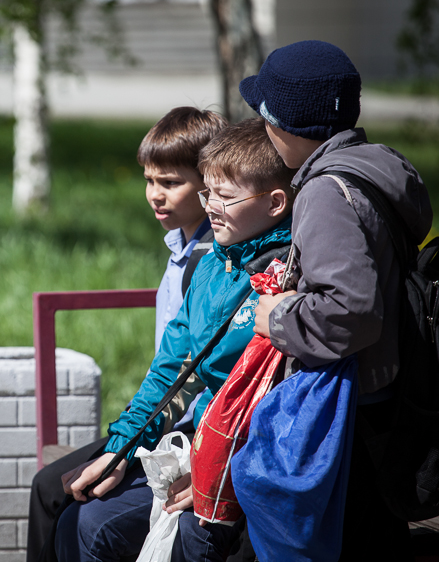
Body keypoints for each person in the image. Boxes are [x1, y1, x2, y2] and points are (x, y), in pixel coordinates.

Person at [55, 118, 295, 562]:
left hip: (243, 463)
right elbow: (170, 368)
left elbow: (271, 402)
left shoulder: (286, 278)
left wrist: (214, 472)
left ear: (277, 203)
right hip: (202, 443)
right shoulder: (211, 264)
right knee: (77, 514)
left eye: (225, 196)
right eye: (209, 194)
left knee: (100, 528)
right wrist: (120, 448)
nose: (212, 208)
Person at [249, 40, 433, 560]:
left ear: (286, 124)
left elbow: (350, 310)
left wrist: (277, 315)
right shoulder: (377, 168)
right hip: (388, 396)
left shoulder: (325, 192)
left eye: (265, 118)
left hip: (351, 411)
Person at [26, 106, 227, 562]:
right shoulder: (180, 246)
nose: (155, 195)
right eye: (149, 180)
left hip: (182, 427)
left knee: (83, 518)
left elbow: (188, 376)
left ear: (210, 184)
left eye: (171, 183)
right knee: (49, 488)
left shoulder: (210, 260)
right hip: (158, 418)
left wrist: (137, 453)